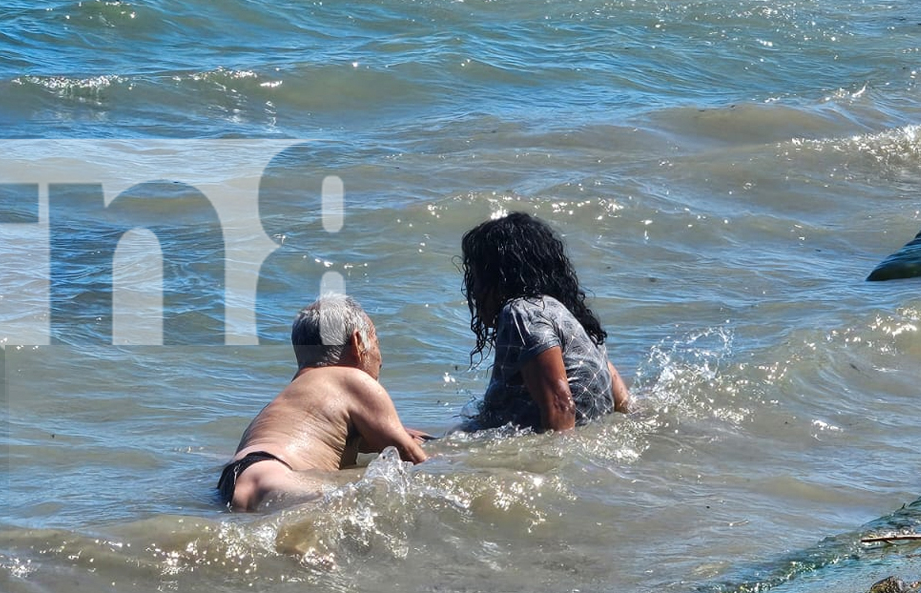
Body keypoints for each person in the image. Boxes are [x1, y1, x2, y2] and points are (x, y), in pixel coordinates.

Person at [217, 295, 430, 511]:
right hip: (278, 477)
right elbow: (413, 458)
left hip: (233, 480)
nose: (380, 358)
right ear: (358, 343)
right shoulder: (353, 380)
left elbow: (366, 440)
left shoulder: (290, 398)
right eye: (376, 342)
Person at [458, 212, 632, 432]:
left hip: (530, 455)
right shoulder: (579, 327)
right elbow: (624, 405)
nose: (473, 291)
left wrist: (555, 466)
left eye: (476, 277)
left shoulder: (522, 313)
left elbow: (561, 406)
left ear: (500, 277)